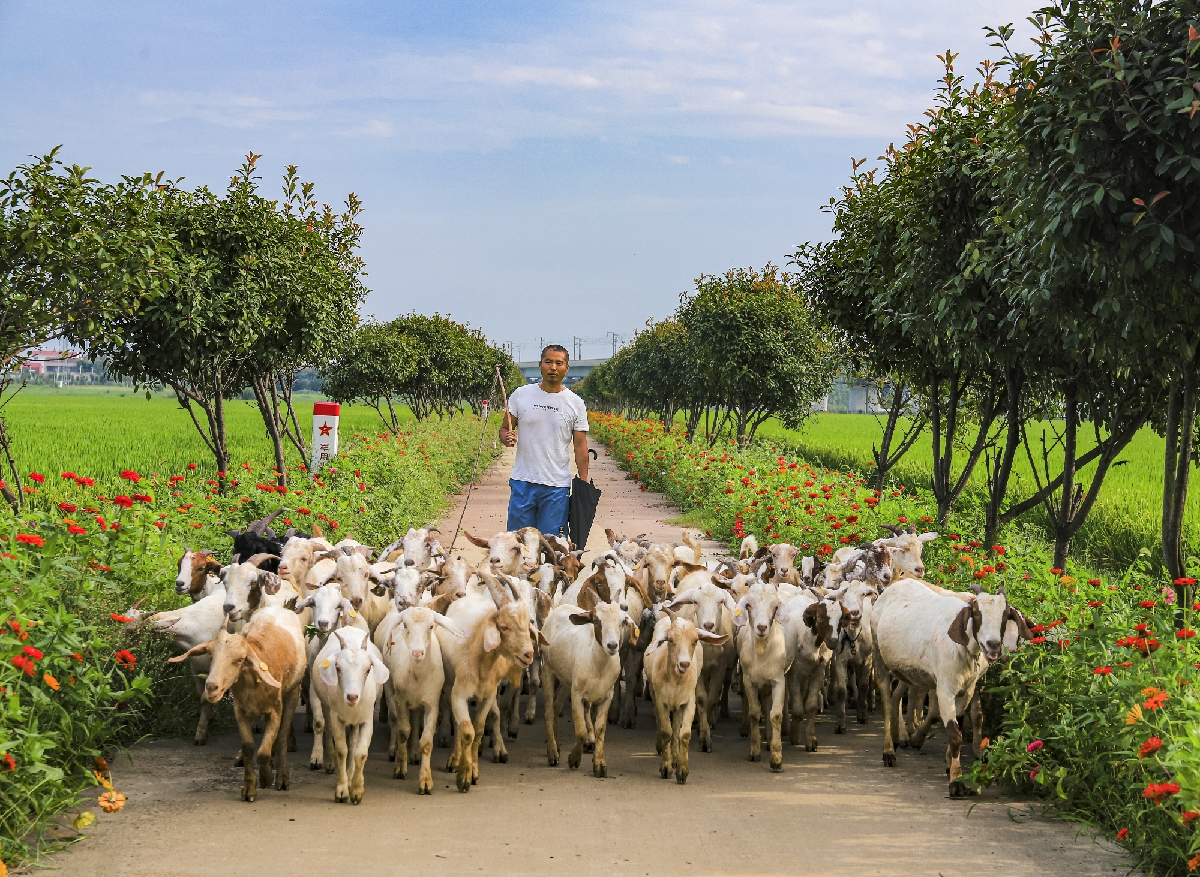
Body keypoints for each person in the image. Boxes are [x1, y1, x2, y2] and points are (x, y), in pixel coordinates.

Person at [500, 344, 589, 535]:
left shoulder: (575, 403)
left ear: (566, 368)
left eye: (559, 363)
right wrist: (506, 438)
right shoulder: (521, 395)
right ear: (540, 364)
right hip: (523, 481)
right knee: (519, 542)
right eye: (548, 362)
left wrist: (584, 481)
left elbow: (581, 446)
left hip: (556, 487)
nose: (553, 367)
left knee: (552, 546)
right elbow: (505, 428)